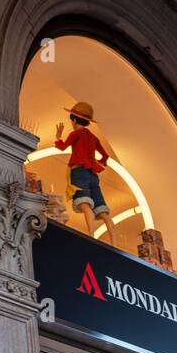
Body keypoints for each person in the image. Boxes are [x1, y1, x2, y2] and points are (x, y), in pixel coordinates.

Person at [55, 102, 119, 246]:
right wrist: (97, 165)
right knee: (103, 212)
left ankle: (91, 237)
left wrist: (58, 137)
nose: (71, 123)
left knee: (85, 205)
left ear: (75, 120)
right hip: (93, 176)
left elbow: (62, 146)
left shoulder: (76, 133)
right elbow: (105, 156)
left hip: (79, 172)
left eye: (71, 120)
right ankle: (115, 243)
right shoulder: (93, 137)